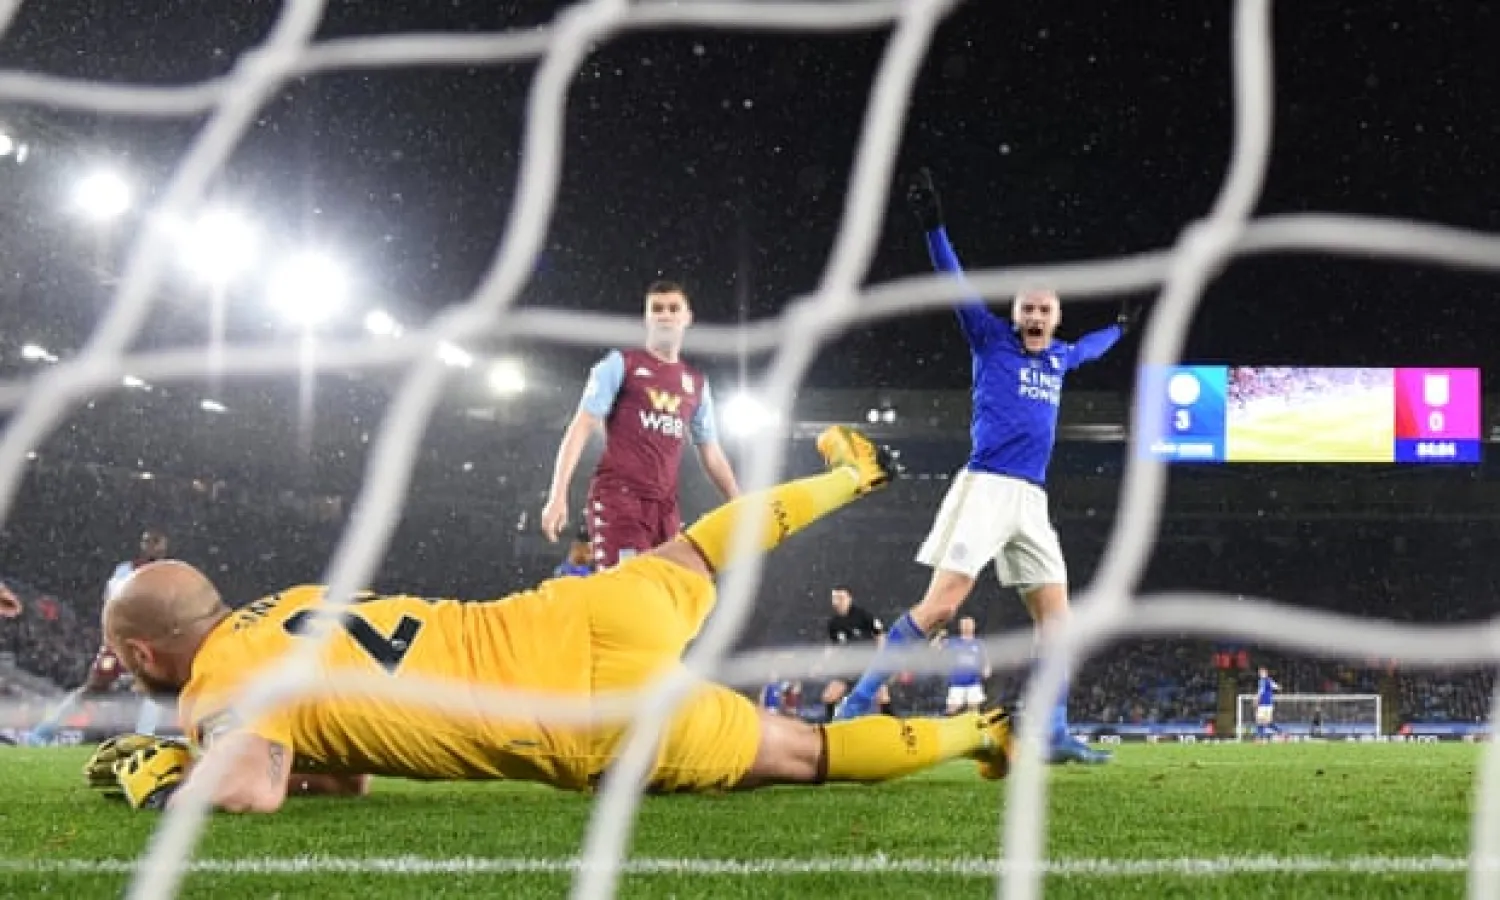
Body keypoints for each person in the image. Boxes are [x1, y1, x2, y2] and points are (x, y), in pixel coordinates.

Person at [97, 426, 1014, 813]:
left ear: (144, 652)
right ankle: (855, 470)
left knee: (804, 754)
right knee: (697, 549)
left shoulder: (217, 685)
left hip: (581, 722)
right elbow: (340, 776)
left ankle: (977, 732)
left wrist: (171, 781)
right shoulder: (291, 601)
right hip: (572, 617)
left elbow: (253, 786)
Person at [834, 169, 1133, 766]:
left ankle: (1052, 731)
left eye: (1045, 310)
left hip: (1032, 499)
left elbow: (1091, 349)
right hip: (987, 486)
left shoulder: (1061, 358)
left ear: (1055, 318)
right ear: (1016, 314)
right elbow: (955, 280)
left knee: (1059, 621)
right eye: (1027, 308)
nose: (1035, 317)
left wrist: (1121, 328)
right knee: (944, 603)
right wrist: (934, 227)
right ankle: (858, 702)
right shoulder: (989, 338)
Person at [540, 281, 741, 569]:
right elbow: (581, 427)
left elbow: (711, 451)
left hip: (665, 507)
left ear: (687, 318)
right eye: (657, 309)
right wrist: (557, 494)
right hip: (619, 500)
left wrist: (738, 503)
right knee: (629, 589)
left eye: (674, 308)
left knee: (668, 592)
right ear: (646, 318)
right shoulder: (620, 365)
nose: (665, 315)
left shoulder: (696, 384)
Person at [28, 529, 171, 745]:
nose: (151, 546)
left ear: (164, 545)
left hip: (148, 641)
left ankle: (143, 740)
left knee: (154, 688)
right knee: (94, 687)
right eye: (147, 541)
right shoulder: (126, 570)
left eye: (156, 541)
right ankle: (42, 733)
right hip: (121, 640)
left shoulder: (169, 574)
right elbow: (112, 600)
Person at [821, 588, 890, 720]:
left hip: (868, 664)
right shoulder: (833, 623)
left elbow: (880, 635)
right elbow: (834, 646)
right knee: (829, 697)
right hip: (848, 667)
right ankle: (830, 729)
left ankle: (896, 729)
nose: (837, 602)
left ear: (849, 598)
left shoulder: (863, 615)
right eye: (834, 598)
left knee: (882, 698)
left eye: (840, 598)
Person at [939, 617, 991, 716]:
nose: (966, 626)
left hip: (973, 682)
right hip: (956, 683)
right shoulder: (952, 642)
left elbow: (985, 659)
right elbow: (935, 647)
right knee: (951, 710)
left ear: (974, 626)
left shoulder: (979, 643)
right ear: (960, 626)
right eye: (964, 624)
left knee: (974, 710)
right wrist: (938, 636)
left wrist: (987, 669)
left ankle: (973, 729)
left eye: (969, 624)